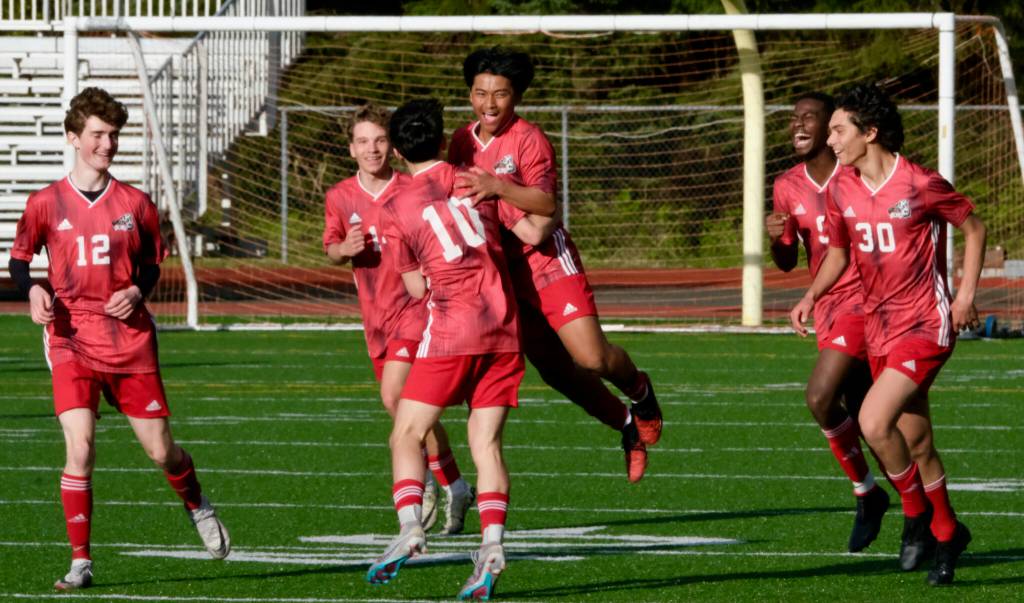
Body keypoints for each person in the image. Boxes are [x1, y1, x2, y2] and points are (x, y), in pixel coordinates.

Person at [6, 87, 230, 591]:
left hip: (129, 340)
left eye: (113, 135)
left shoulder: (136, 203)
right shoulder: (45, 203)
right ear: (73, 138)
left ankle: (196, 501)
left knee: (160, 452)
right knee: (80, 449)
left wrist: (134, 290)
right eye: (97, 135)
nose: (107, 144)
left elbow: (152, 262)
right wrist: (33, 289)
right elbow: (19, 261)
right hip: (70, 337)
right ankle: (81, 562)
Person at [791, 83, 985, 586]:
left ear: (869, 132)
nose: (830, 140)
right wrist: (812, 296)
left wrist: (964, 296)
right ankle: (948, 533)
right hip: (878, 325)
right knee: (917, 442)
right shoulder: (841, 188)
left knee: (874, 421)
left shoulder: (918, 183)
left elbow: (974, 227)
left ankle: (915, 514)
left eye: (838, 129)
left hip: (925, 322)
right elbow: (837, 254)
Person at [365, 98, 554, 601]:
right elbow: (535, 223)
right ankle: (492, 545)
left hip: (452, 330)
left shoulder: (393, 207)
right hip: (505, 329)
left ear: (399, 150)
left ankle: (410, 527)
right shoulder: (480, 178)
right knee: (486, 444)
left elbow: (413, 289)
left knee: (406, 433)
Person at [449, 46, 663, 483]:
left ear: (517, 96)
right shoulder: (460, 141)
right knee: (555, 373)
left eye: (500, 94)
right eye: (480, 93)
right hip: (502, 275)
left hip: (547, 262)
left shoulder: (529, 138)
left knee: (592, 358)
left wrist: (497, 187)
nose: (489, 104)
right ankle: (626, 428)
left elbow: (547, 202)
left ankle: (641, 392)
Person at [323, 104, 474, 534]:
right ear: (351, 149)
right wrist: (344, 249)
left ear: (393, 145)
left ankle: (422, 482)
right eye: (364, 142)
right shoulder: (339, 196)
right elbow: (331, 248)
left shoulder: (414, 186)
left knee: (395, 399)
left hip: (418, 309)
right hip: (376, 318)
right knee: (410, 412)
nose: (373, 149)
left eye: (380, 140)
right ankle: (456, 484)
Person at [768, 92, 889, 552]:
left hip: (869, 301)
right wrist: (776, 238)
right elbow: (787, 261)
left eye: (809, 118)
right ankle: (923, 518)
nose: (798, 125)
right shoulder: (787, 185)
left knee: (821, 397)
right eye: (793, 118)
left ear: (830, 128)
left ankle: (866, 493)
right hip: (830, 305)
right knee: (867, 417)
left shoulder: (858, 171)